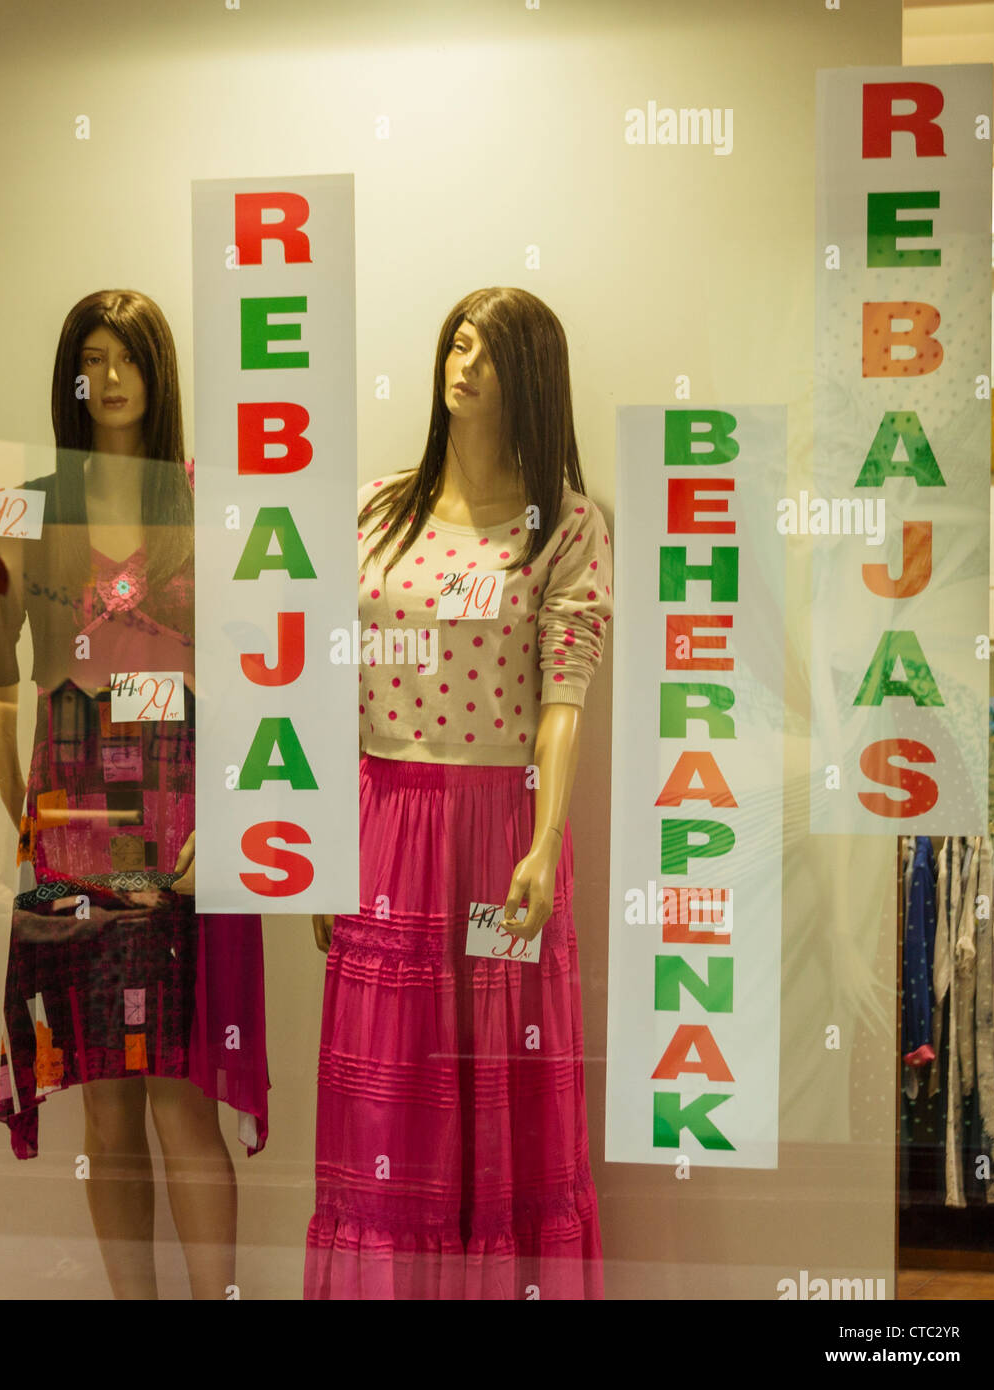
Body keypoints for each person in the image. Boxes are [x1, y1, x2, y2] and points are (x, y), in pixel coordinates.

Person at [307, 286, 610, 1299]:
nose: (462, 362)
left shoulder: (562, 525)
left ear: (530, 375)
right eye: (454, 341)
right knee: (390, 1091)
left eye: (485, 348)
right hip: (382, 824)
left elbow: (562, 695)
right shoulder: (376, 508)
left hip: (501, 837)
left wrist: (541, 836)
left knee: (498, 1075)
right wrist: (314, 839)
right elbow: (328, 679)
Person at [0, 289, 267, 1300]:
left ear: (156, 369)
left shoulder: (202, 500)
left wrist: (232, 810)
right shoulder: (28, 505)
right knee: (103, 1102)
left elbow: (259, 671)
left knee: (182, 1096)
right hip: (71, 840)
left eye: (125, 355)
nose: (106, 375)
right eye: (88, 358)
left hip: (177, 834)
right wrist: (18, 797)